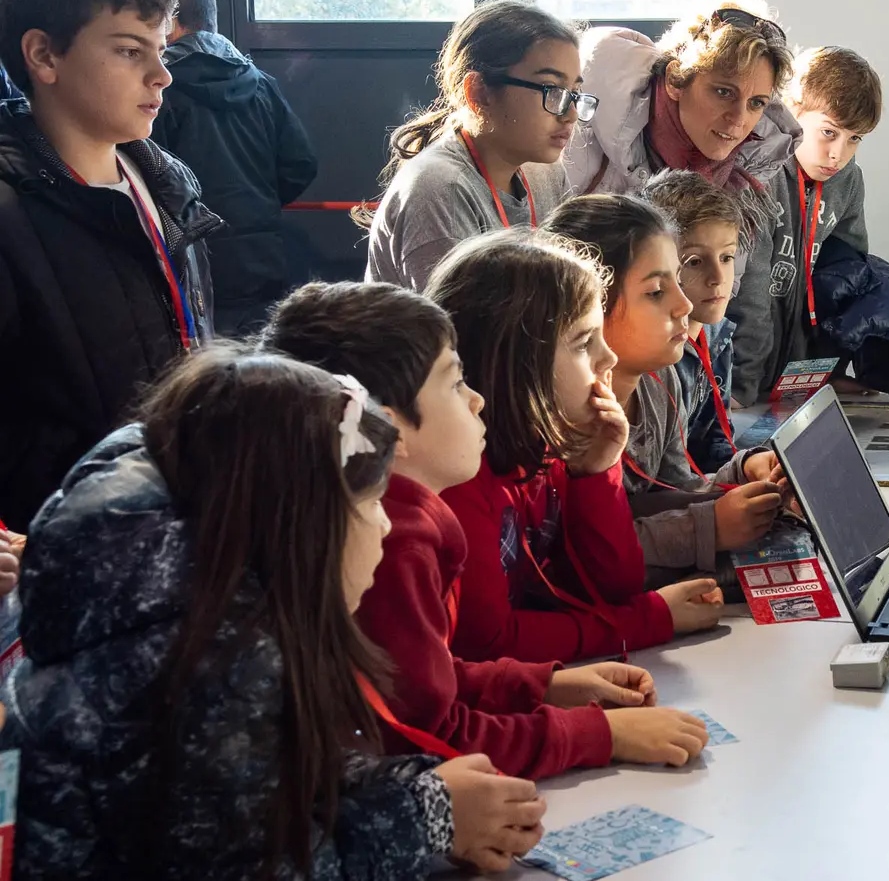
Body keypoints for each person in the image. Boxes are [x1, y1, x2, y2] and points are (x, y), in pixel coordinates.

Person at [2, 348, 547, 877]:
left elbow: (261, 786)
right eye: (373, 502)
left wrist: (413, 786)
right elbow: (256, 867)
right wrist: (430, 819)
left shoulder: (196, 616)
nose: (385, 526)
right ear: (307, 524)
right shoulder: (207, 660)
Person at [260, 281, 712, 775]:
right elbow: (428, 734)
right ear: (387, 431)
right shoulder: (393, 542)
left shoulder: (419, 513)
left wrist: (539, 685)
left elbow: (421, 680)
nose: (476, 400)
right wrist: (599, 734)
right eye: (455, 383)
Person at [0, 0, 219, 535]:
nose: (162, 76)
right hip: (59, 537)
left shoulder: (168, 181)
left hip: (175, 511)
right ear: (44, 55)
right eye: (128, 51)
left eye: (160, 50)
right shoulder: (12, 212)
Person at [428, 228, 724, 664]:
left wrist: (597, 471)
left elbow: (612, 588)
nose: (609, 358)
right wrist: (648, 620)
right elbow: (489, 644)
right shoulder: (459, 481)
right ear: (518, 364)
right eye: (585, 343)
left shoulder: (548, 449)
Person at [544, 195, 785, 587]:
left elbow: (676, 491)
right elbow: (577, 554)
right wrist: (710, 529)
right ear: (590, 306)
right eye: (656, 292)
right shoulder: (561, 417)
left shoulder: (659, 382)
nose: (684, 304)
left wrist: (744, 475)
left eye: (677, 279)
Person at [365, 0, 581, 292]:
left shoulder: (545, 172)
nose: (571, 114)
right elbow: (464, 322)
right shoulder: (439, 188)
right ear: (479, 92)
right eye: (552, 90)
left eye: (574, 93)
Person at [151, 0, 318, 336]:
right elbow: (301, 164)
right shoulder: (259, 82)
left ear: (170, 21)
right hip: (263, 258)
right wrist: (257, 205)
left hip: (195, 263)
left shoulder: (157, 90)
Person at [727, 45, 882, 403]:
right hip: (737, 381)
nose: (838, 154)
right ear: (793, 111)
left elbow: (842, 282)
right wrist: (741, 387)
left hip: (795, 384)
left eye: (854, 139)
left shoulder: (848, 180)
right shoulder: (758, 172)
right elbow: (749, 290)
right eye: (829, 132)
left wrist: (828, 373)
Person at [562, 0, 797, 204]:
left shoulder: (746, 170)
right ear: (675, 80)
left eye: (756, 103)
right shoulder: (575, 133)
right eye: (724, 92)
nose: (739, 119)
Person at [641, 169, 742, 471]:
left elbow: (718, 440)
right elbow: (664, 478)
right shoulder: (651, 356)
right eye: (695, 262)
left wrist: (747, 467)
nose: (718, 278)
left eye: (727, 257)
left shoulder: (717, 332)